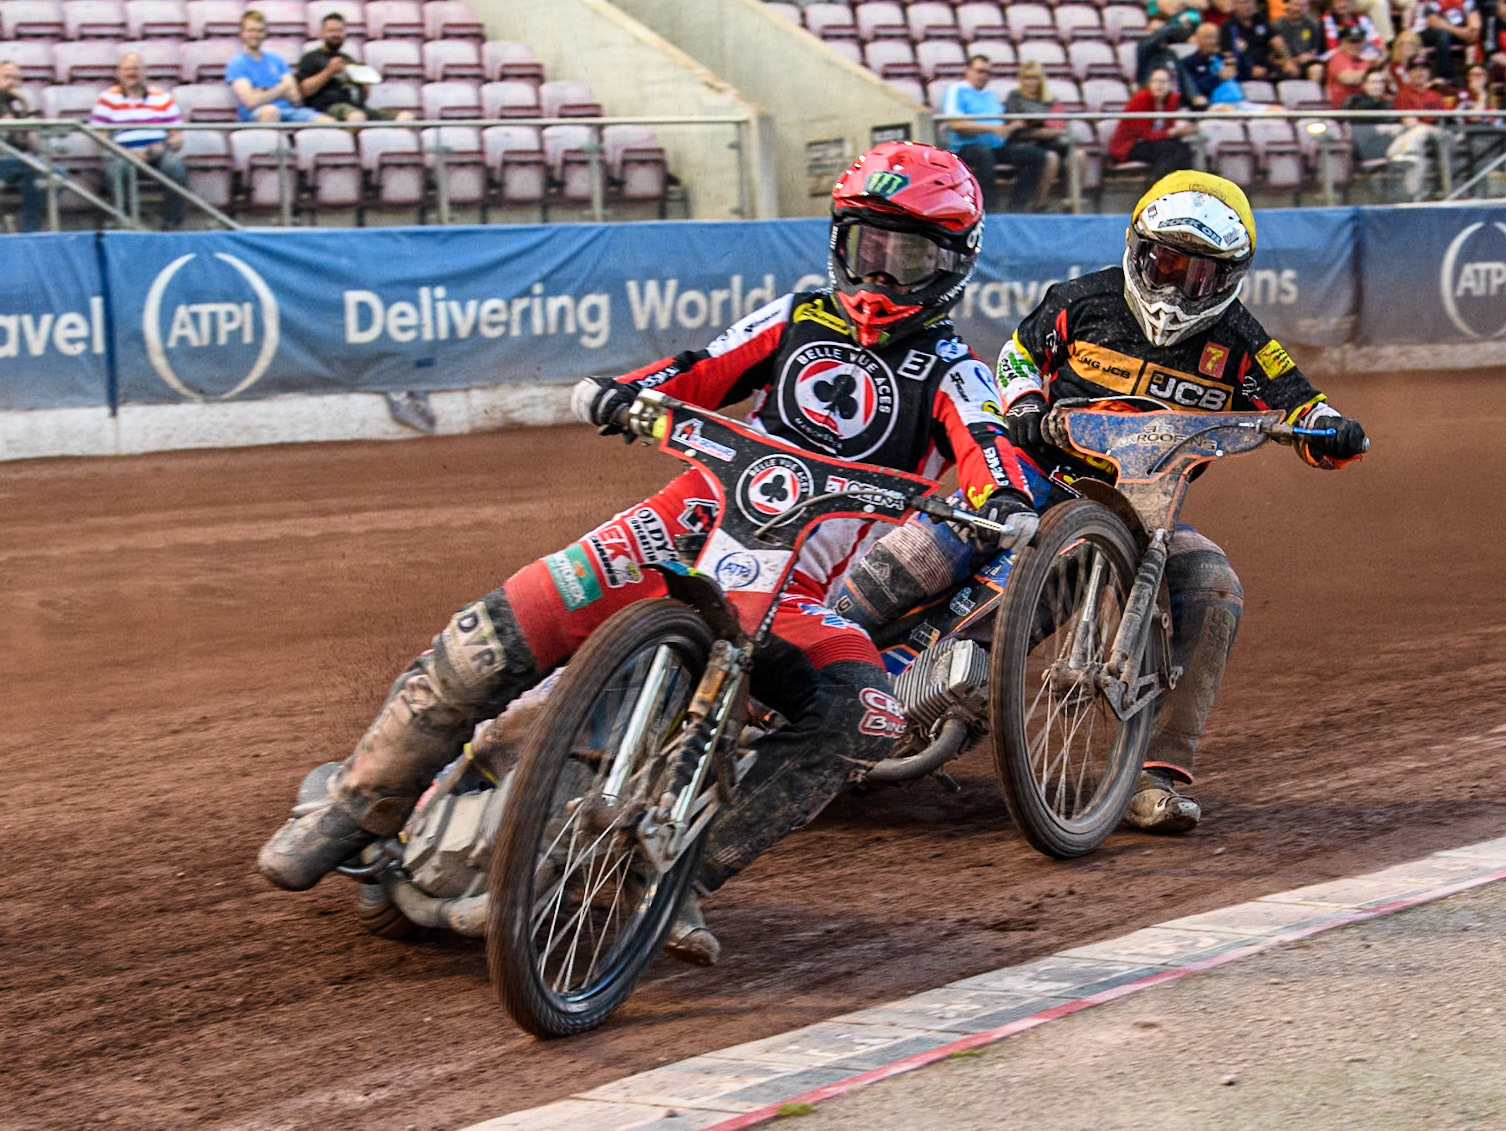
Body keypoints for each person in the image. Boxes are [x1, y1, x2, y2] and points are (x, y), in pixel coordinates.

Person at [256, 142, 1038, 963]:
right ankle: (357, 802)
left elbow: (990, 449)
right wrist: (627, 392)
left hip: (793, 594)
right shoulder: (796, 316)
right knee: (500, 626)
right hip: (676, 529)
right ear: (839, 242)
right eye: (864, 245)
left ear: (951, 263)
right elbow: (696, 371)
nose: (878, 272)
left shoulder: (956, 371)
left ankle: (679, 874)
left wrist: (1005, 500)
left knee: (865, 712)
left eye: (905, 255)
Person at [838, 171, 1368, 836]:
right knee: (912, 559)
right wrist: (1024, 405)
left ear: (1231, 277)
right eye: (1167, 264)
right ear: (1138, 250)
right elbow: (1017, 356)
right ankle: (799, 664)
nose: (1177, 288)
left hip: (1139, 515)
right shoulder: (1082, 300)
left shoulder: (1244, 344)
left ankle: (1156, 777)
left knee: (1213, 583)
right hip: (1024, 476)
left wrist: (1333, 432)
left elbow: (1303, 408)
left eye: (1200, 275)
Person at [90, 53, 188, 230]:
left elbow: (177, 138)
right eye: (127, 69)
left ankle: (171, 226)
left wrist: (160, 148)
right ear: (119, 73)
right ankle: (131, 226)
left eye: (135, 69)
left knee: (176, 169)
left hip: (157, 153)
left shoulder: (162, 97)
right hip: (122, 153)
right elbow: (100, 138)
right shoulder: (107, 99)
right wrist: (125, 153)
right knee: (116, 172)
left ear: (144, 71)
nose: (131, 73)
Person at [940, 54, 1049, 211]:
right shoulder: (956, 90)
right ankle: (989, 209)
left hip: (996, 146)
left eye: (987, 72)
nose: (984, 76)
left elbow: (1000, 124)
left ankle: (1016, 207)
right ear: (968, 71)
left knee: (1036, 155)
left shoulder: (990, 95)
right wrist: (992, 129)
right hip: (966, 146)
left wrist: (1013, 126)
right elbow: (957, 124)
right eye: (980, 71)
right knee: (984, 155)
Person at [297, 12, 415, 122]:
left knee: (406, 118)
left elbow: (362, 96)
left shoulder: (348, 59)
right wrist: (329, 71)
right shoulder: (311, 58)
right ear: (322, 33)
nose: (336, 34)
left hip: (358, 108)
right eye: (331, 31)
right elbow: (304, 91)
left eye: (339, 31)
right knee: (356, 117)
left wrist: (365, 86)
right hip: (328, 109)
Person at [225, 10, 332, 124]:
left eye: (259, 31)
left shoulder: (277, 60)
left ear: (265, 33)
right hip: (256, 115)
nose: (255, 35)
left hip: (289, 111)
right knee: (270, 111)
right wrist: (282, 89)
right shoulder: (237, 63)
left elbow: (296, 98)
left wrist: (264, 93)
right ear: (242, 33)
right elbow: (251, 102)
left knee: (328, 122)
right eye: (251, 30)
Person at [1004, 61, 1072, 210]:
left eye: (1034, 78)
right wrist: (1040, 131)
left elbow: (1061, 123)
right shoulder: (1015, 97)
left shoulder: (1050, 99)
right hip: (1026, 141)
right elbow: (1015, 127)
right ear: (1021, 79)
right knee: (1050, 158)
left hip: (1050, 139)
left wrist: (1054, 131)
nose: (1031, 82)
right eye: (1027, 78)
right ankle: (1040, 205)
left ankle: (1072, 203)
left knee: (1078, 155)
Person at [1107, 67, 1197, 179]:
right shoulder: (1141, 98)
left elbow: (1168, 129)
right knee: (1170, 150)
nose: (1159, 85)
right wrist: (1171, 132)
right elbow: (1145, 134)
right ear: (1149, 84)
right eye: (1155, 81)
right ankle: (1157, 187)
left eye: (1163, 81)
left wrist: (1182, 131)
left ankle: (1180, 186)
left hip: (1154, 143)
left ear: (1170, 85)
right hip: (1131, 145)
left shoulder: (1171, 100)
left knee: (1184, 149)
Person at [1391, 54, 1446, 197]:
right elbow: (1410, 123)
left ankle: (1448, 191)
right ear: (1409, 73)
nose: (1419, 73)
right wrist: (1435, 130)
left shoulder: (1436, 95)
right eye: (1415, 69)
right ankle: (1414, 197)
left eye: (1423, 69)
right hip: (1414, 136)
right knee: (1418, 146)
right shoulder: (1403, 94)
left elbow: (1444, 120)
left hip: (1437, 137)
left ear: (1429, 72)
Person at [0, 61, 45, 232]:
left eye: (16, 79)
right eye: (7, 77)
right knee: (40, 170)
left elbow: (35, 145)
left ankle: (27, 228)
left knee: (52, 173)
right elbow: (12, 128)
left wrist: (29, 106)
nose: (12, 82)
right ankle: (28, 228)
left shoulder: (15, 108)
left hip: (13, 162)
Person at [1406, 0, 1479, 84]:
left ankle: (1472, 74)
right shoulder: (1434, 2)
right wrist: (1459, 32)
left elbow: (1475, 25)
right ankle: (1445, 79)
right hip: (1427, 32)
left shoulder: (1467, 1)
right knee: (1443, 34)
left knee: (1473, 34)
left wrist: (1467, 32)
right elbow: (1433, 21)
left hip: (1455, 32)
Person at [1223, 0, 1282, 81]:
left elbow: (1276, 41)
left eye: (1251, 2)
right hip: (1243, 74)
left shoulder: (1261, 20)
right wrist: (1248, 69)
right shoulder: (1228, 27)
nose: (1248, 6)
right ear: (1235, 5)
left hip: (1267, 70)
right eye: (1244, 2)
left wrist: (1286, 60)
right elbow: (1227, 55)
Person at [1271, 0, 1325, 81]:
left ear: (1308, 8)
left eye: (1303, 6)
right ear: (1287, 5)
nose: (1298, 9)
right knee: (1290, 69)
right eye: (1295, 5)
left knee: (1317, 69)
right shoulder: (1276, 26)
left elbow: (1314, 51)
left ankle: (1312, 89)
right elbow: (1271, 59)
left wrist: (1308, 57)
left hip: (1305, 64)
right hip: (1282, 64)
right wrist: (1294, 61)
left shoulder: (1313, 24)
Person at [1180, 22, 1230, 107]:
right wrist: (1219, 78)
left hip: (1238, 101)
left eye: (1216, 37)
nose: (1214, 41)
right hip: (1213, 104)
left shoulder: (1223, 58)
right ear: (1198, 40)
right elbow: (1193, 88)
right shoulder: (1188, 62)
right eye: (1209, 37)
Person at [1325, 28, 1373, 108]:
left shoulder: (1365, 59)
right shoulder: (1338, 57)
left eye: (1358, 42)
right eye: (1351, 42)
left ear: (1364, 43)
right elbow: (1348, 79)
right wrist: (1373, 72)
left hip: (1365, 103)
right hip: (1344, 106)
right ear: (1342, 43)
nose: (1355, 45)